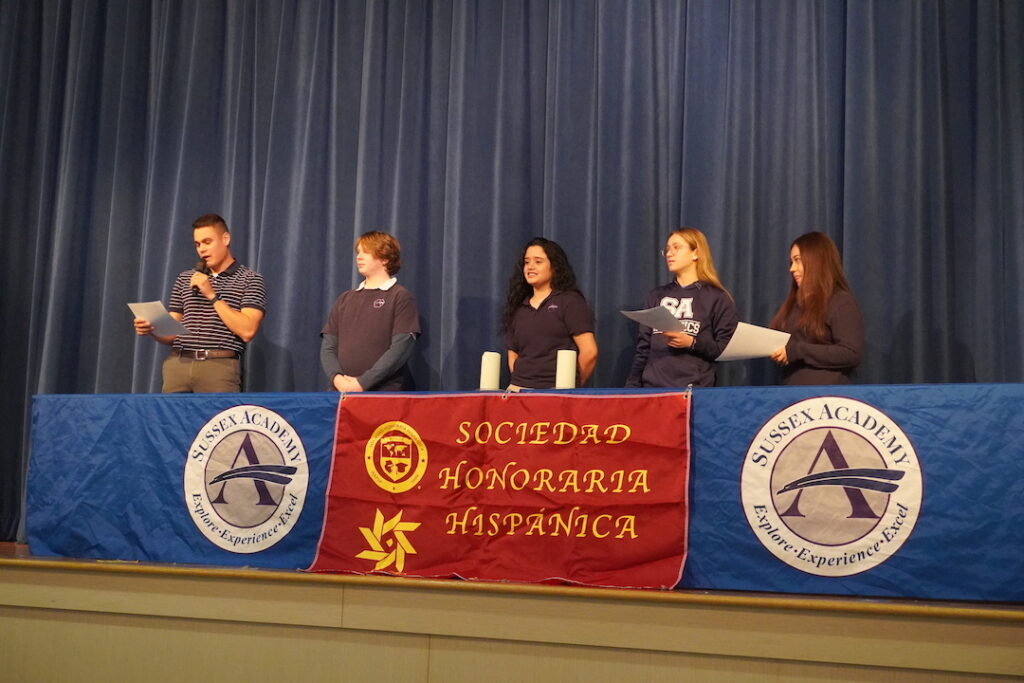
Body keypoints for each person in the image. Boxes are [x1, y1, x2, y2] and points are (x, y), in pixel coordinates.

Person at [133, 213, 266, 392]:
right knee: (172, 420)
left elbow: (247, 331)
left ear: (225, 239)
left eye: (207, 242)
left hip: (218, 367)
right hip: (177, 365)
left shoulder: (250, 279)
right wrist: (152, 329)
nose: (202, 249)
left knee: (215, 420)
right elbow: (171, 332)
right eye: (198, 244)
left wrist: (212, 295)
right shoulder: (185, 278)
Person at [625, 227, 739, 388]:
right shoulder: (656, 296)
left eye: (677, 248)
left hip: (695, 392)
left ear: (695, 253)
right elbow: (643, 349)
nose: (670, 254)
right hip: (653, 390)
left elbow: (725, 349)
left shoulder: (717, 297)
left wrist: (692, 343)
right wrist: (631, 389)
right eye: (667, 250)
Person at [320, 231, 420, 392]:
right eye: (358, 252)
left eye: (366, 252)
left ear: (385, 258)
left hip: (383, 395)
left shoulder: (400, 297)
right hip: (340, 393)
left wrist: (361, 384)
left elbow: (399, 350)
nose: (359, 257)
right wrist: (338, 380)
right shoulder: (345, 298)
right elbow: (328, 347)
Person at [501, 237, 598, 389]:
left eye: (538, 262)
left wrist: (570, 387)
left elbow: (589, 352)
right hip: (517, 392)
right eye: (527, 262)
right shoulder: (518, 307)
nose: (530, 267)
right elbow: (513, 354)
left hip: (555, 393)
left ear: (554, 267)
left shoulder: (569, 301)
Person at [769, 231, 864, 384]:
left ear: (816, 261)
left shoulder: (840, 302)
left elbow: (850, 353)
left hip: (824, 400)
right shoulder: (794, 304)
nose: (792, 269)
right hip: (791, 397)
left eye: (797, 260)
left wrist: (797, 351)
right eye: (791, 262)